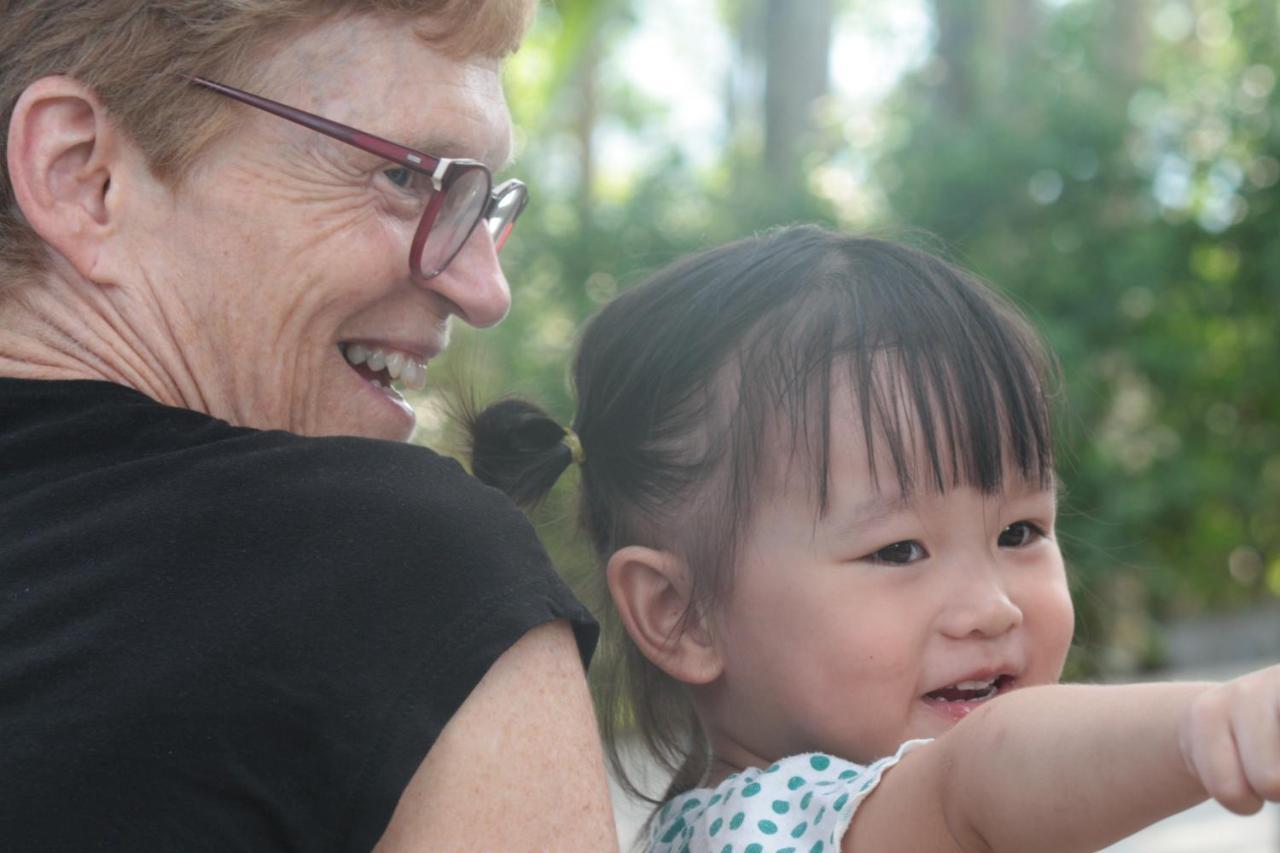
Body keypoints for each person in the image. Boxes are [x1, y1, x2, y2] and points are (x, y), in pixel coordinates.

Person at [0, 2, 617, 850]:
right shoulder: (410, 572)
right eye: (409, 178)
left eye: (479, 203)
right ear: (83, 172)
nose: (484, 288)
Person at [466, 224, 1280, 852]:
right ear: (683, 613)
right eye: (898, 550)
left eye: (1020, 530)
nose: (992, 607)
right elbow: (981, 774)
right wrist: (1211, 723)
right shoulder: (764, 826)